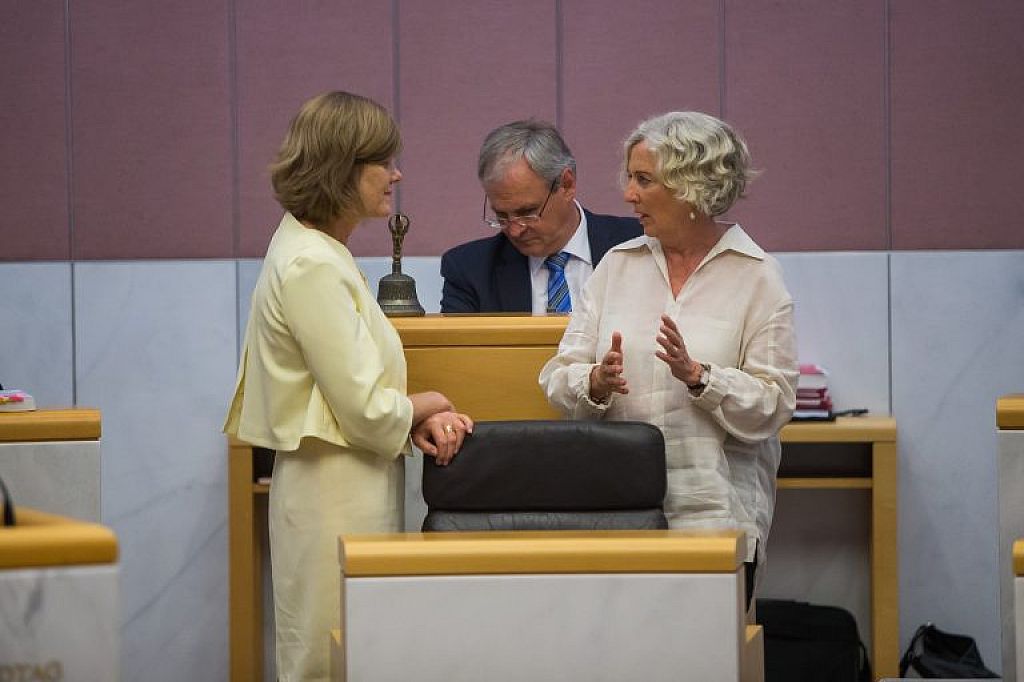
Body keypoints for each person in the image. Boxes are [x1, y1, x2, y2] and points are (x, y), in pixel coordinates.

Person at [223, 91, 473, 681]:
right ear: (342, 167)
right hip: (330, 490)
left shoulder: (318, 251)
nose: (397, 174)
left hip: (345, 480)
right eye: (383, 161)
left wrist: (406, 415)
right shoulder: (312, 262)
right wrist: (427, 404)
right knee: (328, 658)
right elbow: (362, 407)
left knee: (352, 652)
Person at [539, 111, 797, 608]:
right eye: (630, 178)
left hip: (715, 520)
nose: (627, 194)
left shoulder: (758, 277)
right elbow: (556, 377)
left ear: (691, 187)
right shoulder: (617, 266)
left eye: (643, 180)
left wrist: (701, 378)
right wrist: (595, 381)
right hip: (616, 513)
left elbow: (774, 404)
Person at [440, 120, 641, 313]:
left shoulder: (640, 245)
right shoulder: (469, 271)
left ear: (567, 185)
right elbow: (457, 347)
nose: (515, 230)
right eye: (501, 216)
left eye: (527, 213)